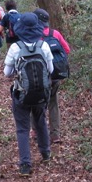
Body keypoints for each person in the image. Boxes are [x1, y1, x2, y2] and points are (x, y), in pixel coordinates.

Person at [3, 12, 53, 176]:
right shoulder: (43, 45)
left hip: (21, 93)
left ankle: (25, 165)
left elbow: (6, 73)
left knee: (22, 129)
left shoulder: (15, 47)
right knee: (40, 122)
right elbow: (50, 70)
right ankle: (45, 153)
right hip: (40, 93)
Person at [33, 8, 70, 144]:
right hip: (55, 74)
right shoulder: (56, 33)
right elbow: (67, 50)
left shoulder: (33, 35)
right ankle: (55, 135)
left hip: (38, 76)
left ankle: (37, 132)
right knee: (53, 103)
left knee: (36, 104)